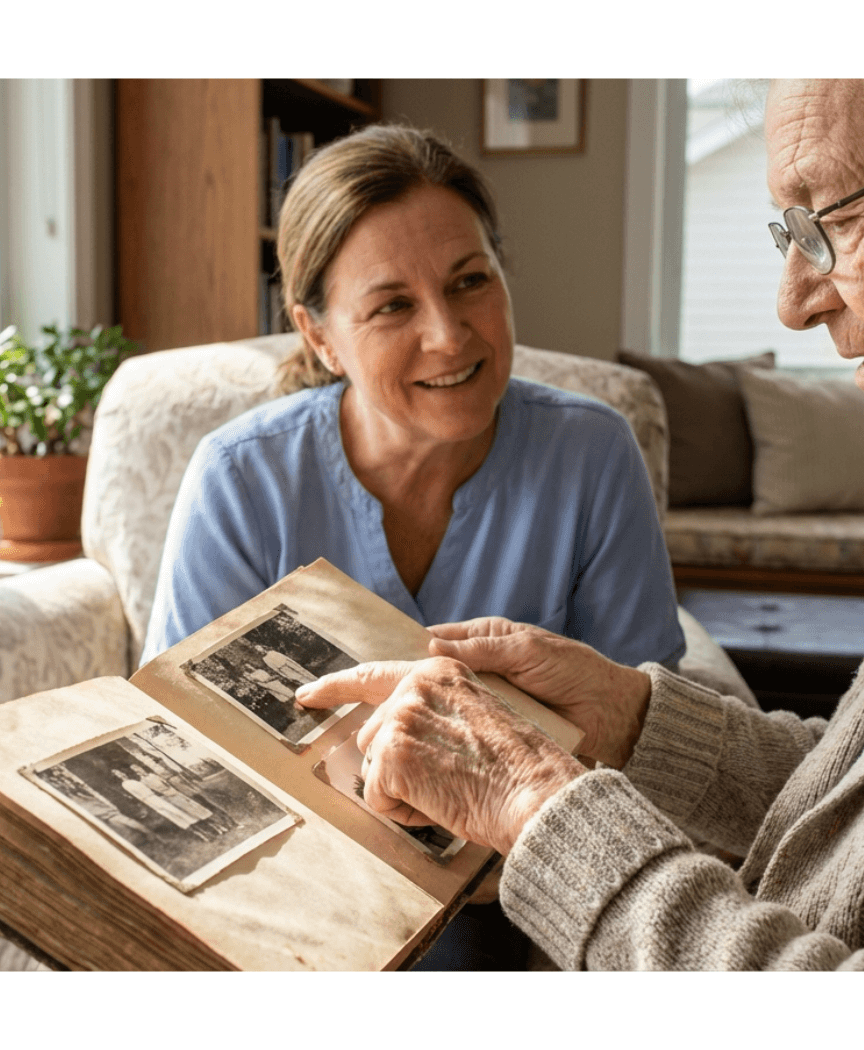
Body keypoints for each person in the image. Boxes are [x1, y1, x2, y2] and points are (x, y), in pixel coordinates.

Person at [298, 80, 864, 969]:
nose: (795, 298)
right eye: (790, 230)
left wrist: (535, 805)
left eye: (832, 219)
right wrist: (633, 724)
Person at [142, 125, 687, 969]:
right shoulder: (239, 480)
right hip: (303, 908)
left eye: (471, 282)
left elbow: (644, 737)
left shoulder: (593, 453)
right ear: (319, 335)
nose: (449, 334)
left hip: (530, 899)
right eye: (393, 305)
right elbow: (184, 743)